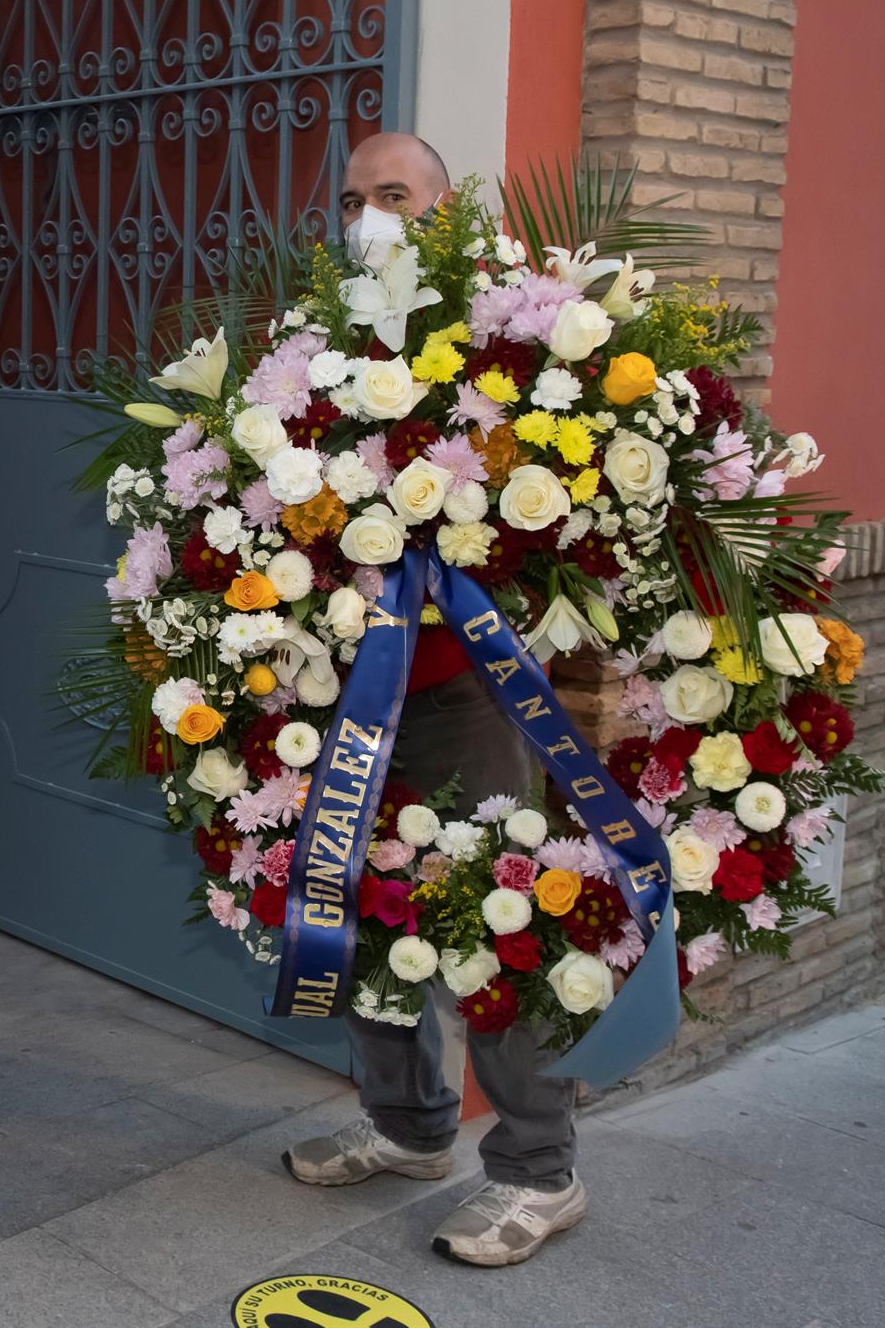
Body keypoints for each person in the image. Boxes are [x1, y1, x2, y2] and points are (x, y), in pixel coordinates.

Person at [280, 131, 586, 1268]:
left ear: (447, 212)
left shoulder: (512, 343)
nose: (370, 216)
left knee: (488, 926)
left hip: (467, 692)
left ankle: (538, 1172)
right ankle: (407, 1128)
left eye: (394, 195)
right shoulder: (318, 354)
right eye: (354, 200)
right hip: (346, 694)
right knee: (362, 908)